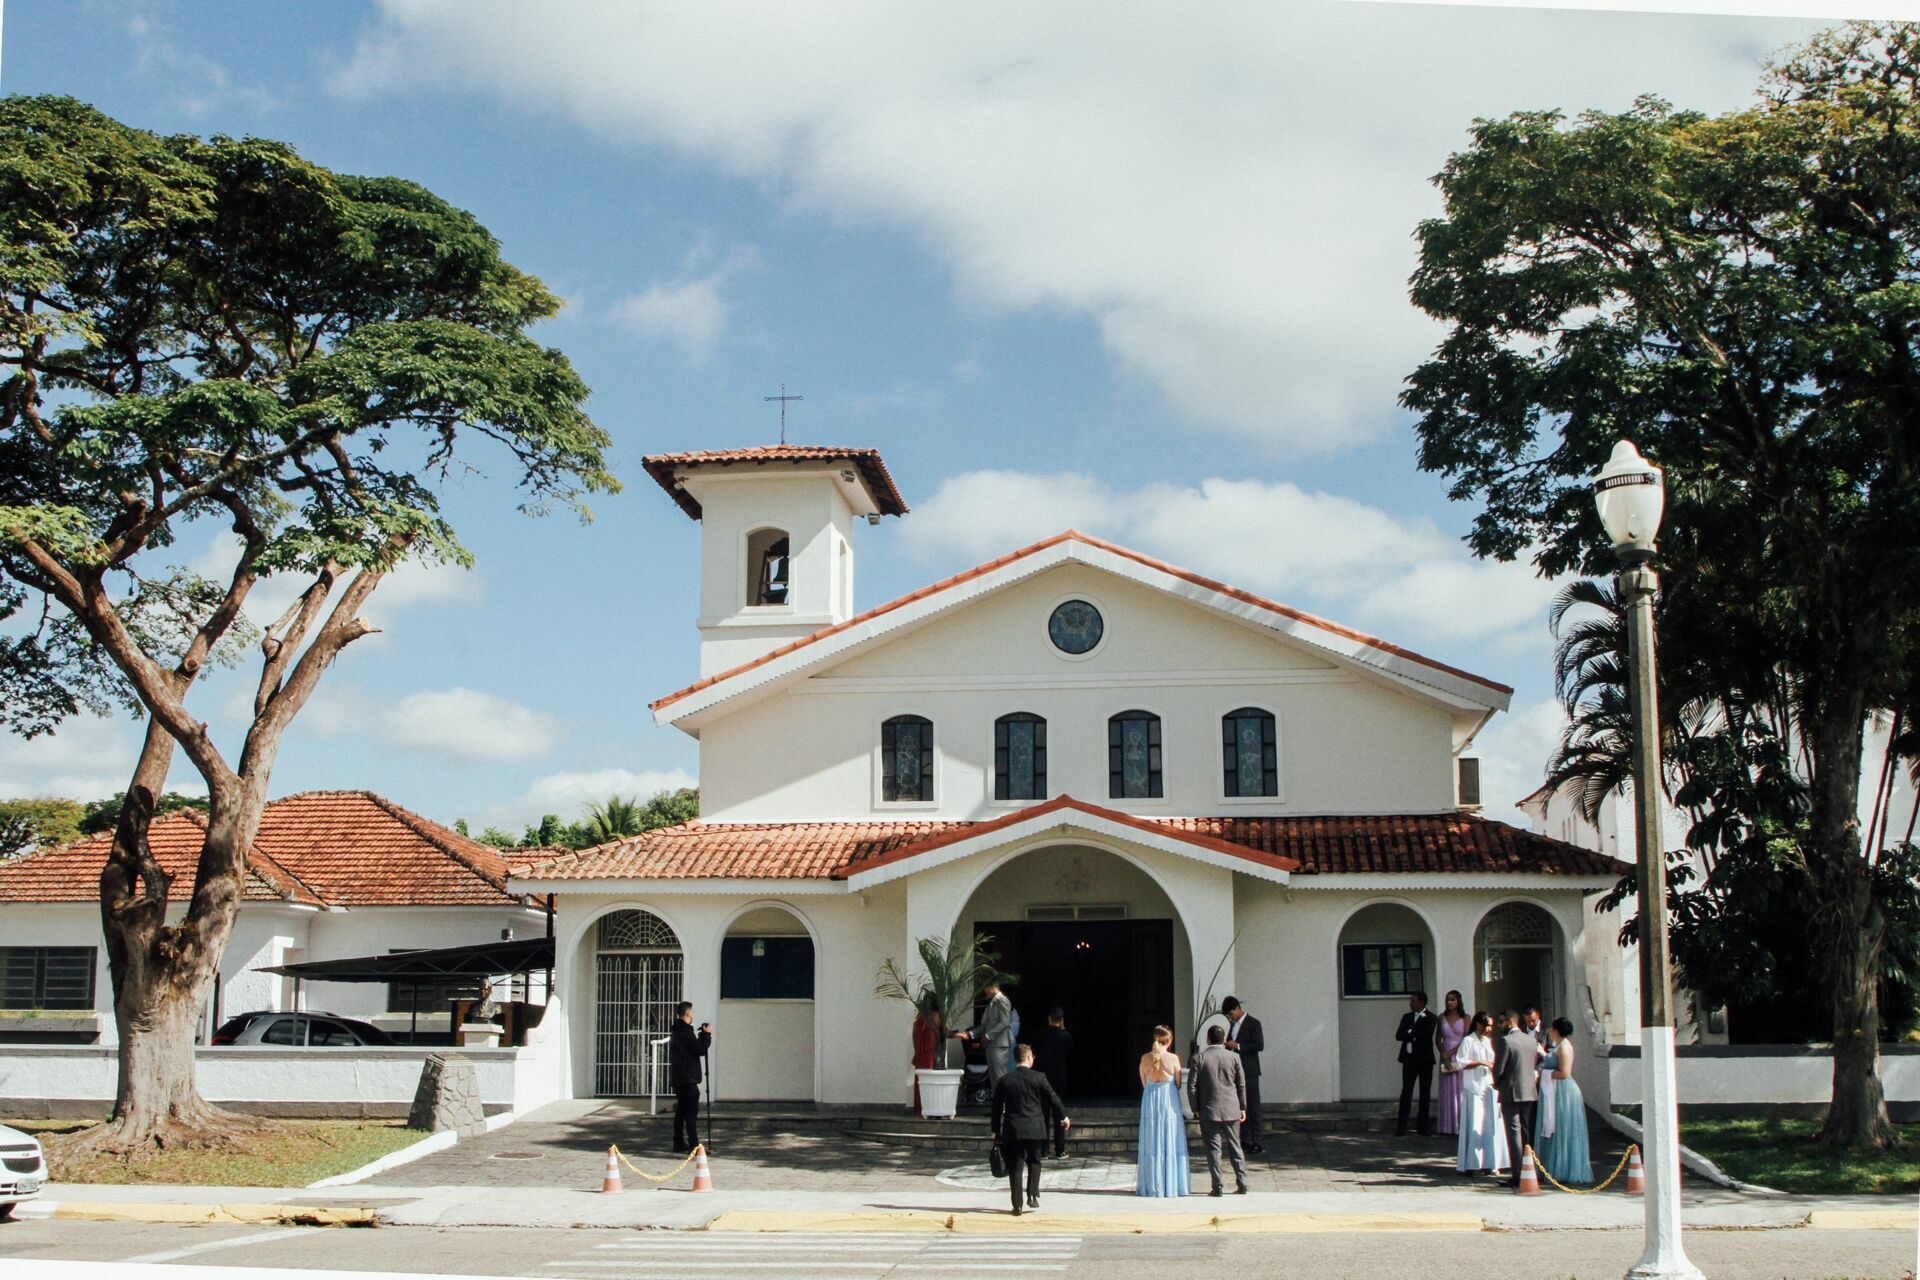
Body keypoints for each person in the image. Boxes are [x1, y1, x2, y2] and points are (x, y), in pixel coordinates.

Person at [990, 1043, 1070, 1215]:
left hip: (1013, 1129)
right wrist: (1063, 1116)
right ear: (1028, 1057)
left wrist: (995, 1129)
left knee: (1015, 1166)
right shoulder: (1039, 1077)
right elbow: (1053, 1097)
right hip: (1035, 1127)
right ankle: (1032, 1196)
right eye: (1032, 1056)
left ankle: (1017, 1205)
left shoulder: (1005, 1080)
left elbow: (996, 1107)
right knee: (1034, 1161)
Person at [1189, 1023, 1249, 1197]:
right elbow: (1241, 1084)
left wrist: (1196, 1108)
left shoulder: (1198, 1058)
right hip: (1231, 1108)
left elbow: (1191, 1087)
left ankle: (1217, 1186)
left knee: (1213, 1148)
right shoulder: (1234, 1057)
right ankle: (1242, 1181)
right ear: (1224, 1040)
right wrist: (1242, 1106)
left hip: (1209, 1108)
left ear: (1208, 1039)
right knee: (1235, 1146)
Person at [1533, 1017, 1593, 1185]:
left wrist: (1545, 1075)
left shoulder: (1564, 1047)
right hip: (1554, 1090)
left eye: (1552, 1028)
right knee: (1556, 1128)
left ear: (1557, 1030)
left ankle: (1564, 1168)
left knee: (1562, 1127)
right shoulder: (1558, 1045)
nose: (1550, 1031)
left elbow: (1564, 1073)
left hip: (1563, 1092)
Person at [1135, 1025, 1190, 1197]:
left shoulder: (1145, 1058)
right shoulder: (1173, 1058)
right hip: (1168, 1100)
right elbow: (1179, 1083)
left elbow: (1144, 1083)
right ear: (1170, 1041)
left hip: (1151, 1099)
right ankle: (1172, 1185)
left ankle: (1152, 1184)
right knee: (1171, 1138)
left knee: (1151, 1139)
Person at [1454, 1011, 1507, 1176]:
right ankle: (1471, 1163)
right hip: (1474, 1087)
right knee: (1475, 1122)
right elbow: (1460, 1062)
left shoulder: (1487, 1041)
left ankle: (1490, 1162)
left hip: (1488, 1086)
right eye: (1487, 1025)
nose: (1490, 1029)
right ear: (1478, 1024)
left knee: (1489, 1124)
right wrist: (1479, 1063)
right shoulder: (1468, 1041)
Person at [1496, 1008, 1544, 1188]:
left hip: (1511, 1091)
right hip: (1529, 1091)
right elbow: (1534, 1064)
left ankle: (1518, 1173)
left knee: (1514, 1133)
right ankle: (1531, 1169)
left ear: (1511, 1021)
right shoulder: (1530, 1040)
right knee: (1526, 1132)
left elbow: (1499, 1068)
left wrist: (1497, 1083)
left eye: (1502, 1022)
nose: (1500, 1025)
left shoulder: (1506, 1041)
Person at [1221, 996, 1265, 1153]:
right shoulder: (1232, 1026)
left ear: (1237, 1008)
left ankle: (1257, 1141)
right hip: (1236, 1071)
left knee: (1253, 1106)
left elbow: (1259, 1045)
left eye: (1231, 1013)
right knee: (1241, 1106)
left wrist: (1238, 1045)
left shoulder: (1253, 1023)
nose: (1230, 1017)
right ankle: (1245, 1139)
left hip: (1250, 1070)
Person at [668, 1000, 711, 1154]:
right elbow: (699, 1049)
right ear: (687, 1013)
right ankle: (694, 1143)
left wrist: (700, 1036)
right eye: (692, 1013)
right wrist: (706, 1036)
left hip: (679, 1078)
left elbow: (691, 1049)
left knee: (681, 1112)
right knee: (691, 1113)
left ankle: (678, 1141)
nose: (693, 1015)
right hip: (688, 1079)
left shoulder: (676, 1032)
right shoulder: (686, 1032)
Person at [956, 981, 1016, 1090]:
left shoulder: (1003, 1001)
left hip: (999, 1046)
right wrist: (970, 1034)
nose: (984, 991)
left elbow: (1005, 1022)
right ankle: (997, 1104)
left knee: (1000, 1077)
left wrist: (988, 1036)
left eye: (985, 988)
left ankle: (1004, 1106)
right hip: (990, 1046)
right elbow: (984, 1026)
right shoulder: (992, 1003)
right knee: (993, 1078)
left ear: (992, 987)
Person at [1394, 990, 1437, 1136]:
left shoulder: (1431, 1017)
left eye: (1413, 1000)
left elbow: (1425, 1035)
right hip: (1409, 1059)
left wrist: (1410, 1033)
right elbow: (1399, 1035)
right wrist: (1411, 1034)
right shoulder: (1406, 1017)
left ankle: (1423, 1125)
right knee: (1406, 1091)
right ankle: (1401, 1125)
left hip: (1424, 1060)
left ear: (1421, 1002)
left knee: (1424, 1092)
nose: (1410, 1003)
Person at [1434, 990, 1469, 1138]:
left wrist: (1452, 1052)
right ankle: (1447, 1126)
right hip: (1445, 1057)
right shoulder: (1441, 1017)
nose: (1450, 1002)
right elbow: (1438, 1039)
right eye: (1448, 1000)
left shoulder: (1466, 1018)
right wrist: (1444, 1054)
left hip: (1459, 1054)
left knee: (1459, 1090)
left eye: (1453, 1000)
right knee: (1447, 1090)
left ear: (1458, 1001)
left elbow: (1467, 1038)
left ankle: (1460, 1125)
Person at [1030, 1007, 1075, 1099]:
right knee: (1057, 1100)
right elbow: (1071, 1052)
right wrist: (1063, 1029)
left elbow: (1032, 1050)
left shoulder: (1039, 1034)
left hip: (1042, 1071)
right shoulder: (1066, 1035)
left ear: (1049, 1018)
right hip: (1059, 1072)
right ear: (1062, 1020)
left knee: (1043, 1100)